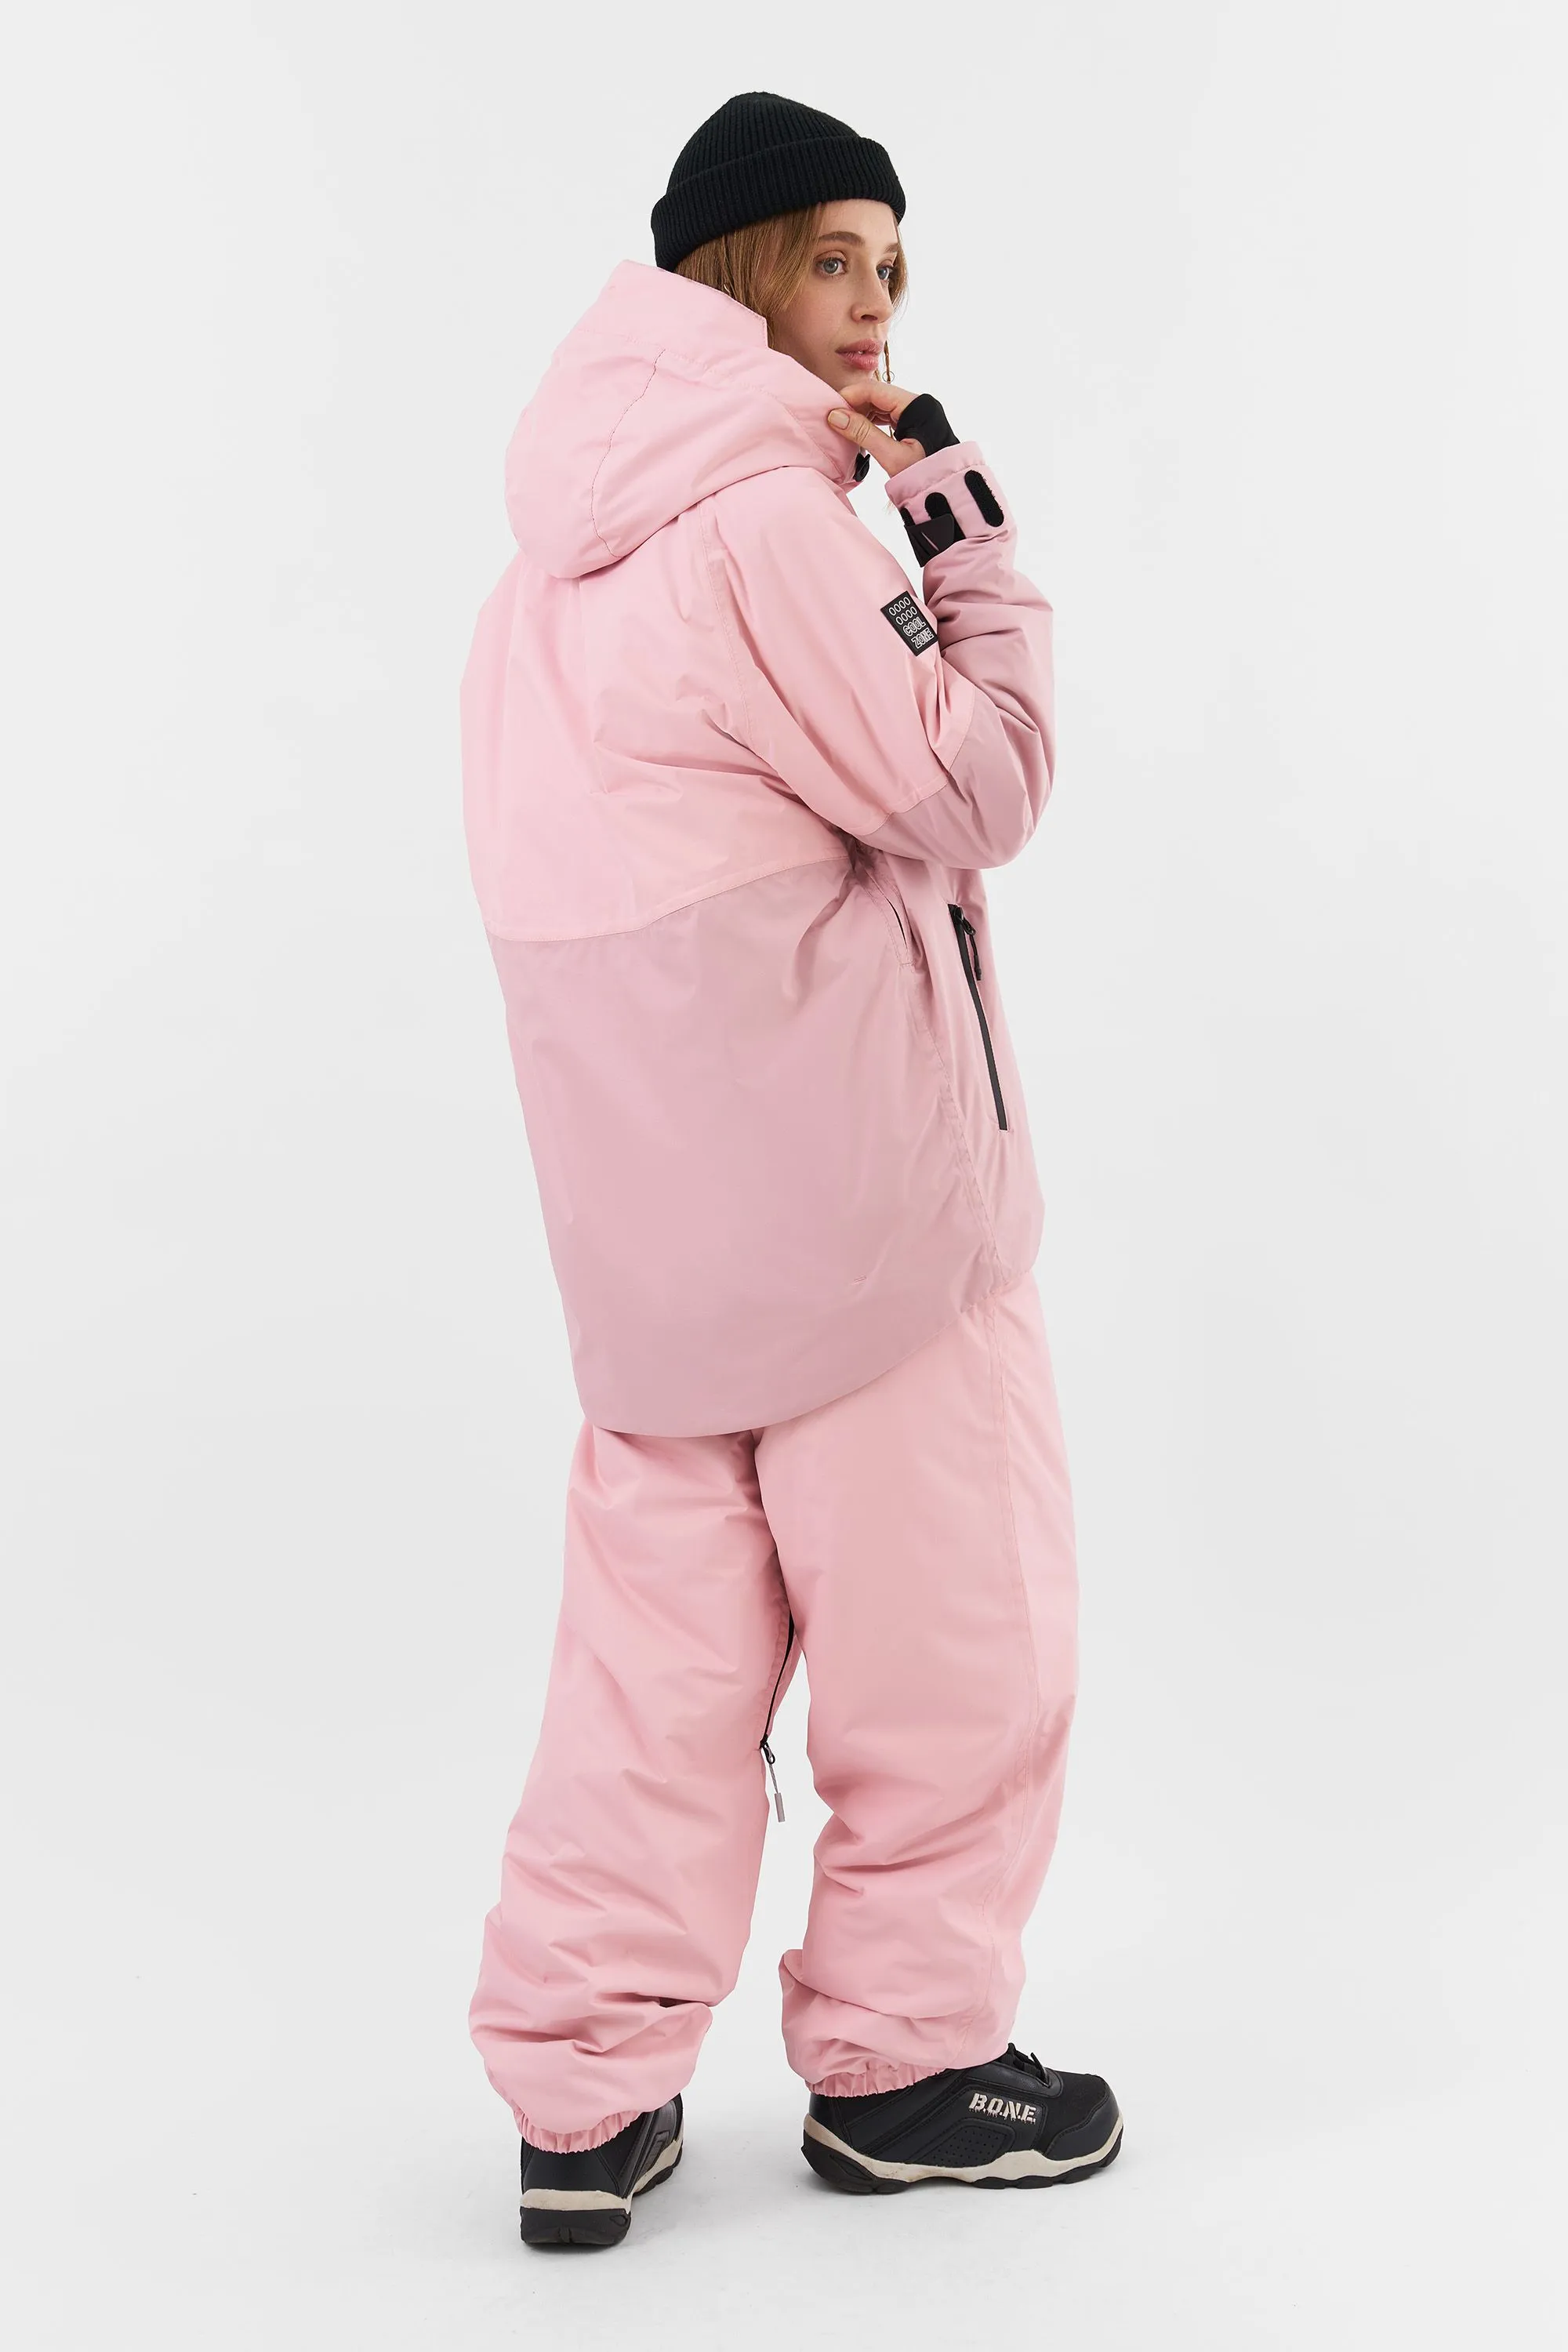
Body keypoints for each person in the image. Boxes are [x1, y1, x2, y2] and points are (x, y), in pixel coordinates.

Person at [458, 89, 1123, 2249]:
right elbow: (978, 787)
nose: (875, 308)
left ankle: (584, 2102)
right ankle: (907, 2071)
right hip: (864, 1227)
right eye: (836, 257)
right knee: (956, 1651)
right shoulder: (767, 528)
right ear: (732, 267)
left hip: (652, 1250)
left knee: (653, 1679)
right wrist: (957, 517)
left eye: (895, 269)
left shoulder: (540, 577)